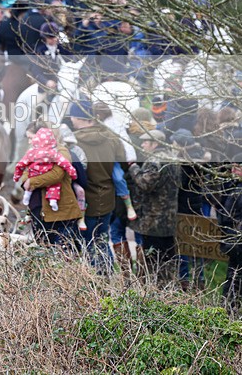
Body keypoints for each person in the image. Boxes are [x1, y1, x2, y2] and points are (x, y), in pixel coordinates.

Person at [71, 100, 127, 274]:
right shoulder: (112, 138)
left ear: (77, 117)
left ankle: (96, 285)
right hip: (108, 199)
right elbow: (122, 166)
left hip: (84, 203)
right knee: (102, 241)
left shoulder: (73, 142)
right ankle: (108, 280)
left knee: (87, 244)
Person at [128, 129, 181, 286]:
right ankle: (168, 288)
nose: (142, 144)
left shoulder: (154, 161)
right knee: (168, 258)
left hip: (154, 219)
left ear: (155, 143)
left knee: (152, 259)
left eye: (145, 141)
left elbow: (146, 184)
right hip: (170, 217)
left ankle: (153, 290)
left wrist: (133, 168)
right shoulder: (174, 158)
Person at [15, 127, 78, 211]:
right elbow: (25, 168)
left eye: (31, 138)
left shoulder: (59, 151)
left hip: (53, 208)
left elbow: (56, 175)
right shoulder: (34, 151)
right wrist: (25, 179)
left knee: (54, 185)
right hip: (36, 201)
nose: (29, 142)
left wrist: (29, 180)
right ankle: (32, 196)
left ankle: (50, 200)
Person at [219, 152, 242, 307]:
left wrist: (232, 244)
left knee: (238, 289)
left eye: (236, 167)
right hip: (239, 247)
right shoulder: (238, 188)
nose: (232, 170)